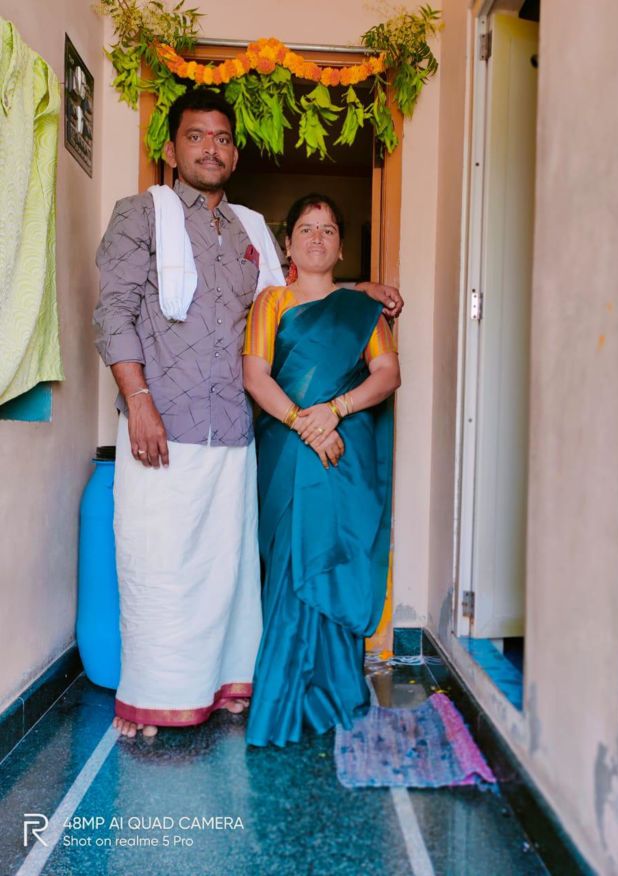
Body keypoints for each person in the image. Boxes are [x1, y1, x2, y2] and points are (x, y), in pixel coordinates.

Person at [93, 90, 403, 738]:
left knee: (225, 573)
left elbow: (297, 299)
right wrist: (139, 402)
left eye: (223, 138)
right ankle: (153, 701)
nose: (211, 148)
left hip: (235, 434)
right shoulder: (140, 214)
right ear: (171, 148)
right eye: (196, 135)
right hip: (164, 422)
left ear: (235, 153)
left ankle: (223, 689)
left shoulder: (248, 230)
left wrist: (359, 293)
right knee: (158, 564)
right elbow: (113, 313)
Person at [243, 194, 401, 747]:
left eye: (328, 230)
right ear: (288, 244)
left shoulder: (361, 311)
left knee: (333, 558)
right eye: (306, 229)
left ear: (341, 247)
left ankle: (335, 694)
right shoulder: (271, 302)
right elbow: (255, 376)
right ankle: (282, 704)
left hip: (343, 454)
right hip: (287, 453)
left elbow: (387, 374)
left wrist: (335, 411)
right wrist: (304, 424)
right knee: (290, 565)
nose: (317, 237)